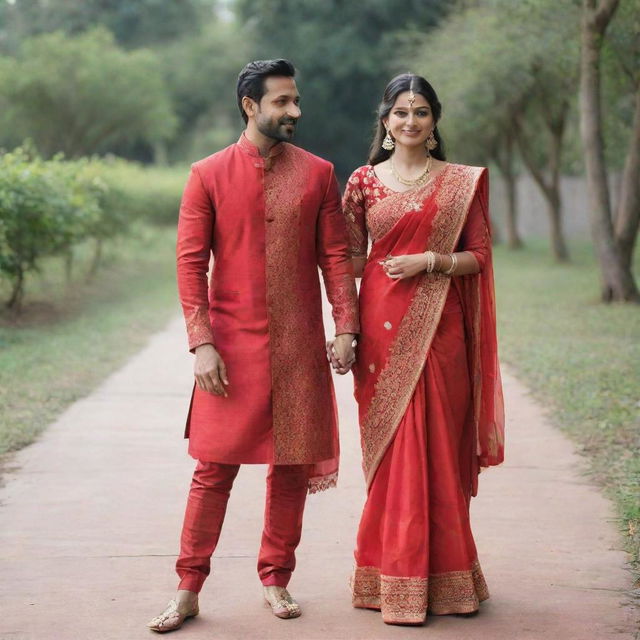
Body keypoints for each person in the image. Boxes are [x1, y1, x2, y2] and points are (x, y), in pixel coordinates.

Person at [147, 59, 359, 633]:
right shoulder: (208, 174)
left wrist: (345, 326)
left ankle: (276, 577)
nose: (295, 111)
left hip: (297, 347)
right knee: (212, 470)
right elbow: (191, 263)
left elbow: (335, 257)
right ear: (250, 106)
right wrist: (201, 344)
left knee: (290, 467)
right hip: (230, 351)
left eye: (296, 100)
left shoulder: (317, 173)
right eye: (283, 102)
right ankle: (188, 588)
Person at [336, 73, 504, 626]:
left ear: (434, 123)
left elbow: (478, 254)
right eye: (401, 112)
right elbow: (349, 262)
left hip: (441, 326)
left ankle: (450, 579)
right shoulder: (362, 181)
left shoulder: (461, 182)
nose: (411, 122)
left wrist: (429, 261)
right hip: (380, 329)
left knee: (436, 444)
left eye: (422, 113)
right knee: (393, 451)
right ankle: (390, 576)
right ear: (385, 121)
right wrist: (345, 327)